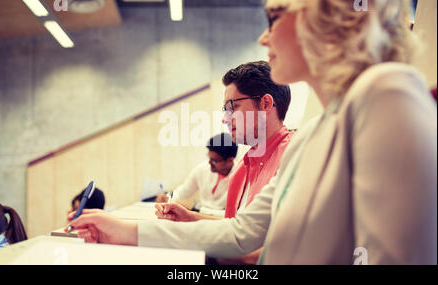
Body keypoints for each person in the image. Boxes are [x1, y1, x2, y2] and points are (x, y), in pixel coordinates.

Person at [67, 0, 437, 264]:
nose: (264, 37)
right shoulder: (311, 135)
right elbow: (240, 232)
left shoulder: (387, 93)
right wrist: (123, 231)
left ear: (331, 14)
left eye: (274, 16)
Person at [154, 61, 294, 264]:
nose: (225, 119)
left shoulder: (294, 157)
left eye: (233, 107)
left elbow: (278, 251)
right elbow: (238, 230)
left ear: (265, 104)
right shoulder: (242, 168)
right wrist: (189, 218)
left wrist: (191, 240)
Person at [155, 133, 238, 217]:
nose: (209, 162)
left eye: (214, 160)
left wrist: (196, 210)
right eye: (209, 158)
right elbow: (183, 191)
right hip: (198, 216)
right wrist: (168, 197)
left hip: (221, 223)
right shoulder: (202, 168)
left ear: (230, 160)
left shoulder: (241, 177)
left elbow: (234, 215)